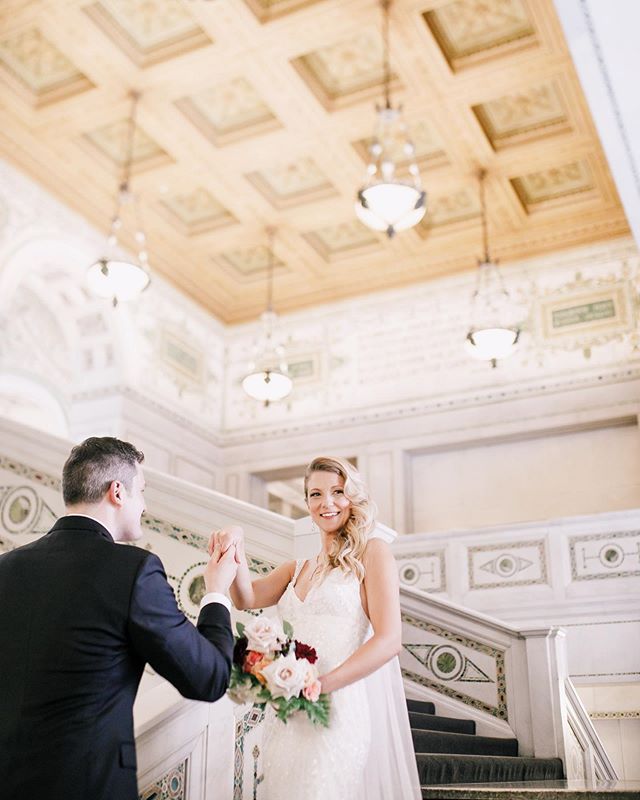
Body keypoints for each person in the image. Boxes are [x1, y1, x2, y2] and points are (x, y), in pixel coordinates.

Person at [0, 436, 237, 800]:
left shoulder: (8, 566)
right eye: (141, 491)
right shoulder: (134, 570)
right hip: (89, 786)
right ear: (117, 492)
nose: (144, 505)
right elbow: (208, 677)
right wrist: (216, 592)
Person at [217, 456, 421, 799]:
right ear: (307, 503)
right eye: (315, 494)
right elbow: (244, 597)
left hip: (337, 708)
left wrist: (321, 686)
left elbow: (389, 640)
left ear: (353, 497)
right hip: (288, 711)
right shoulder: (295, 568)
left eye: (338, 491)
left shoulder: (373, 553)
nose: (326, 503)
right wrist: (234, 542)